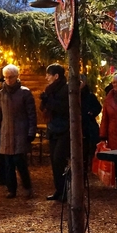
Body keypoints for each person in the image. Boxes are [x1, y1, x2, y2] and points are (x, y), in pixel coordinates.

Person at [0, 64, 37, 199]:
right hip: (5, 132)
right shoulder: (1, 93)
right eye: (6, 77)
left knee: (20, 162)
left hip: (20, 132)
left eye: (11, 77)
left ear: (17, 77)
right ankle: (11, 189)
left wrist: (31, 132)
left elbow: (31, 115)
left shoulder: (25, 93)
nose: (8, 80)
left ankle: (27, 187)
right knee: (8, 164)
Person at [40, 63, 70, 201]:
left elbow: (63, 108)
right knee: (53, 160)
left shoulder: (66, 89)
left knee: (59, 159)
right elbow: (44, 108)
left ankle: (66, 190)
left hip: (64, 129)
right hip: (53, 128)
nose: (46, 77)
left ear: (56, 76)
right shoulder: (49, 89)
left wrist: (49, 101)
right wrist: (44, 101)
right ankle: (59, 190)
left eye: (48, 74)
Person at [80, 75, 102, 166]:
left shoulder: (89, 95)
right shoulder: (71, 95)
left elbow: (98, 107)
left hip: (87, 126)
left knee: (87, 147)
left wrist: (91, 113)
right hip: (76, 125)